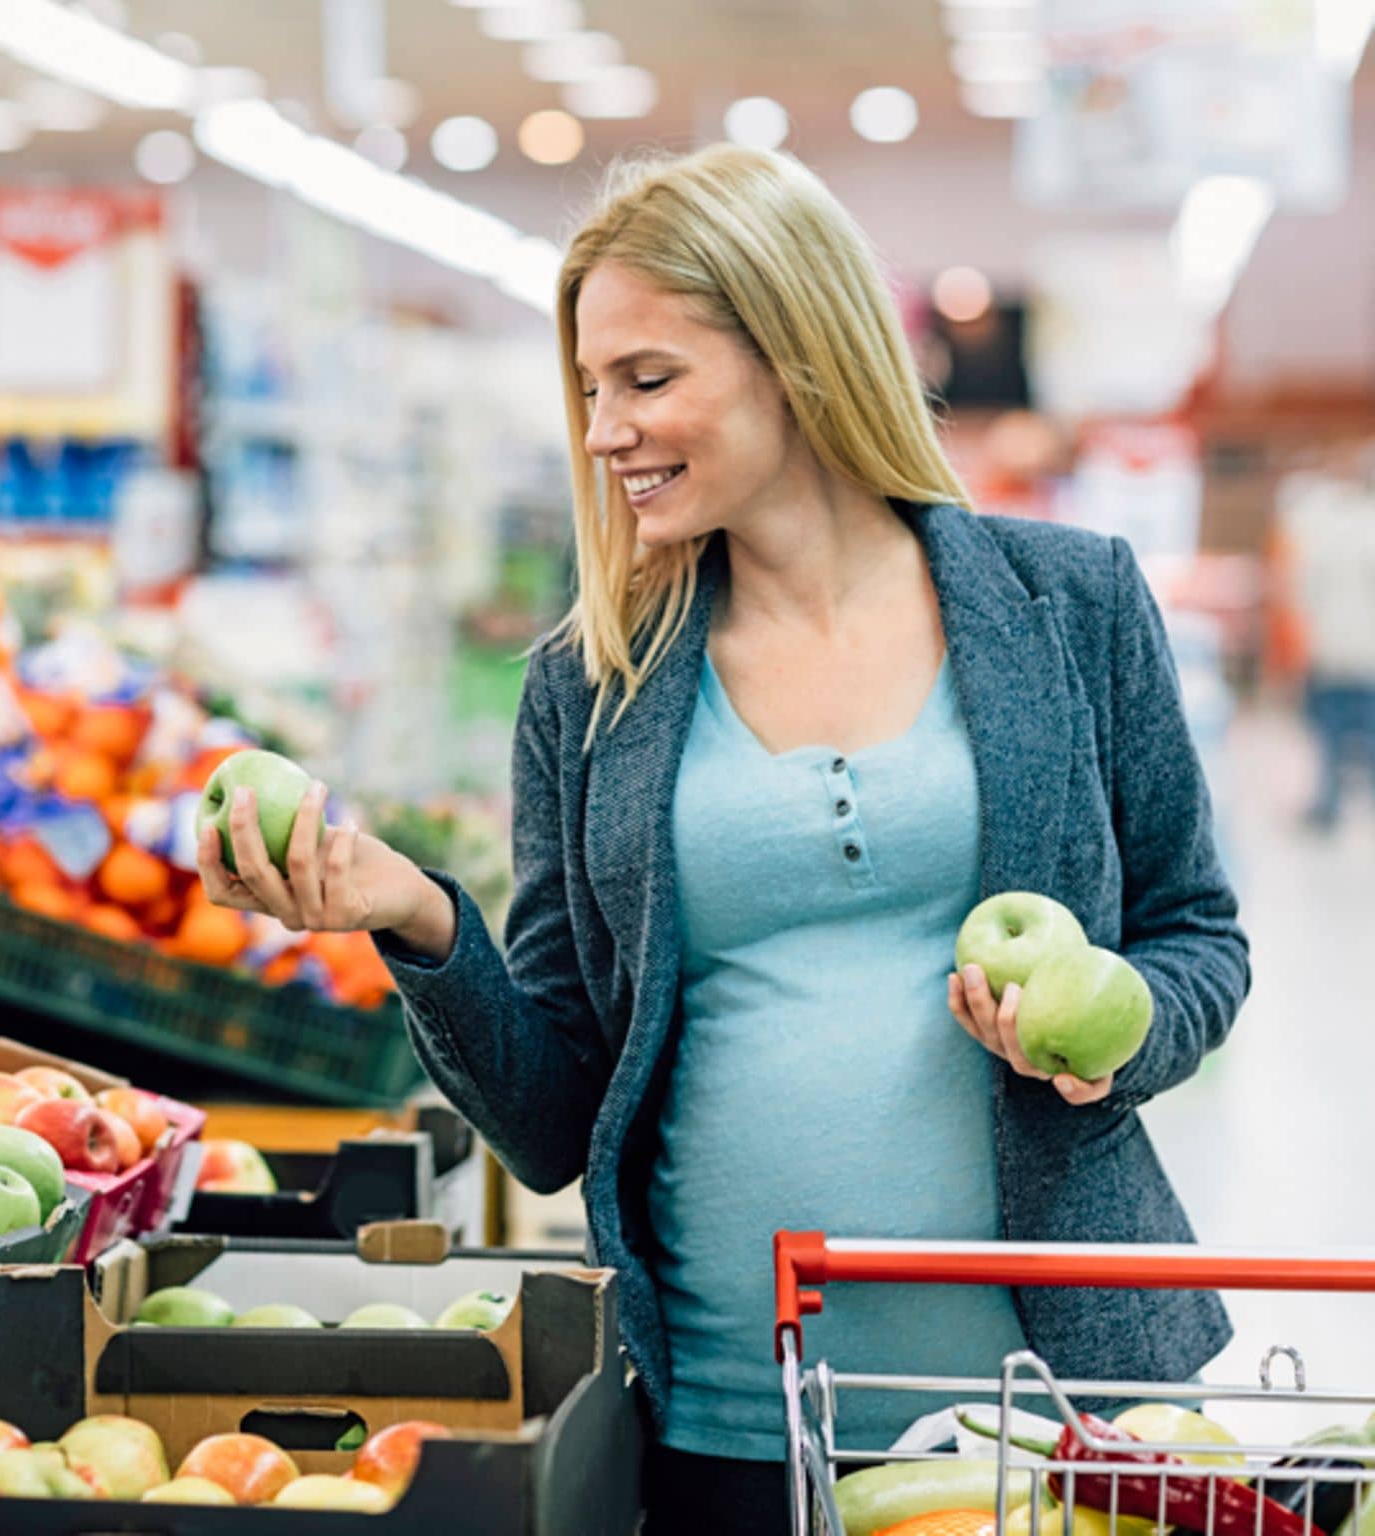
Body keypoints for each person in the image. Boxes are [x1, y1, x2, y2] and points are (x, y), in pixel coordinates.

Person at [195, 146, 1249, 1533]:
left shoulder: (1069, 604)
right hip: (734, 1422)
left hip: (1054, 1415)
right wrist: (418, 920)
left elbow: (1197, 938)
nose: (603, 432)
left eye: (647, 379)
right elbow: (555, 1117)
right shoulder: (593, 683)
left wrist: (1120, 1034)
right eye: (587, 389)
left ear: (799, 355)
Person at [1281, 457, 1375, 828]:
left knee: (1329, 733)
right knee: (1366, 730)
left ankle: (1330, 804)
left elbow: (1304, 591)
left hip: (1330, 646)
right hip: (1365, 649)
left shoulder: (1326, 530)